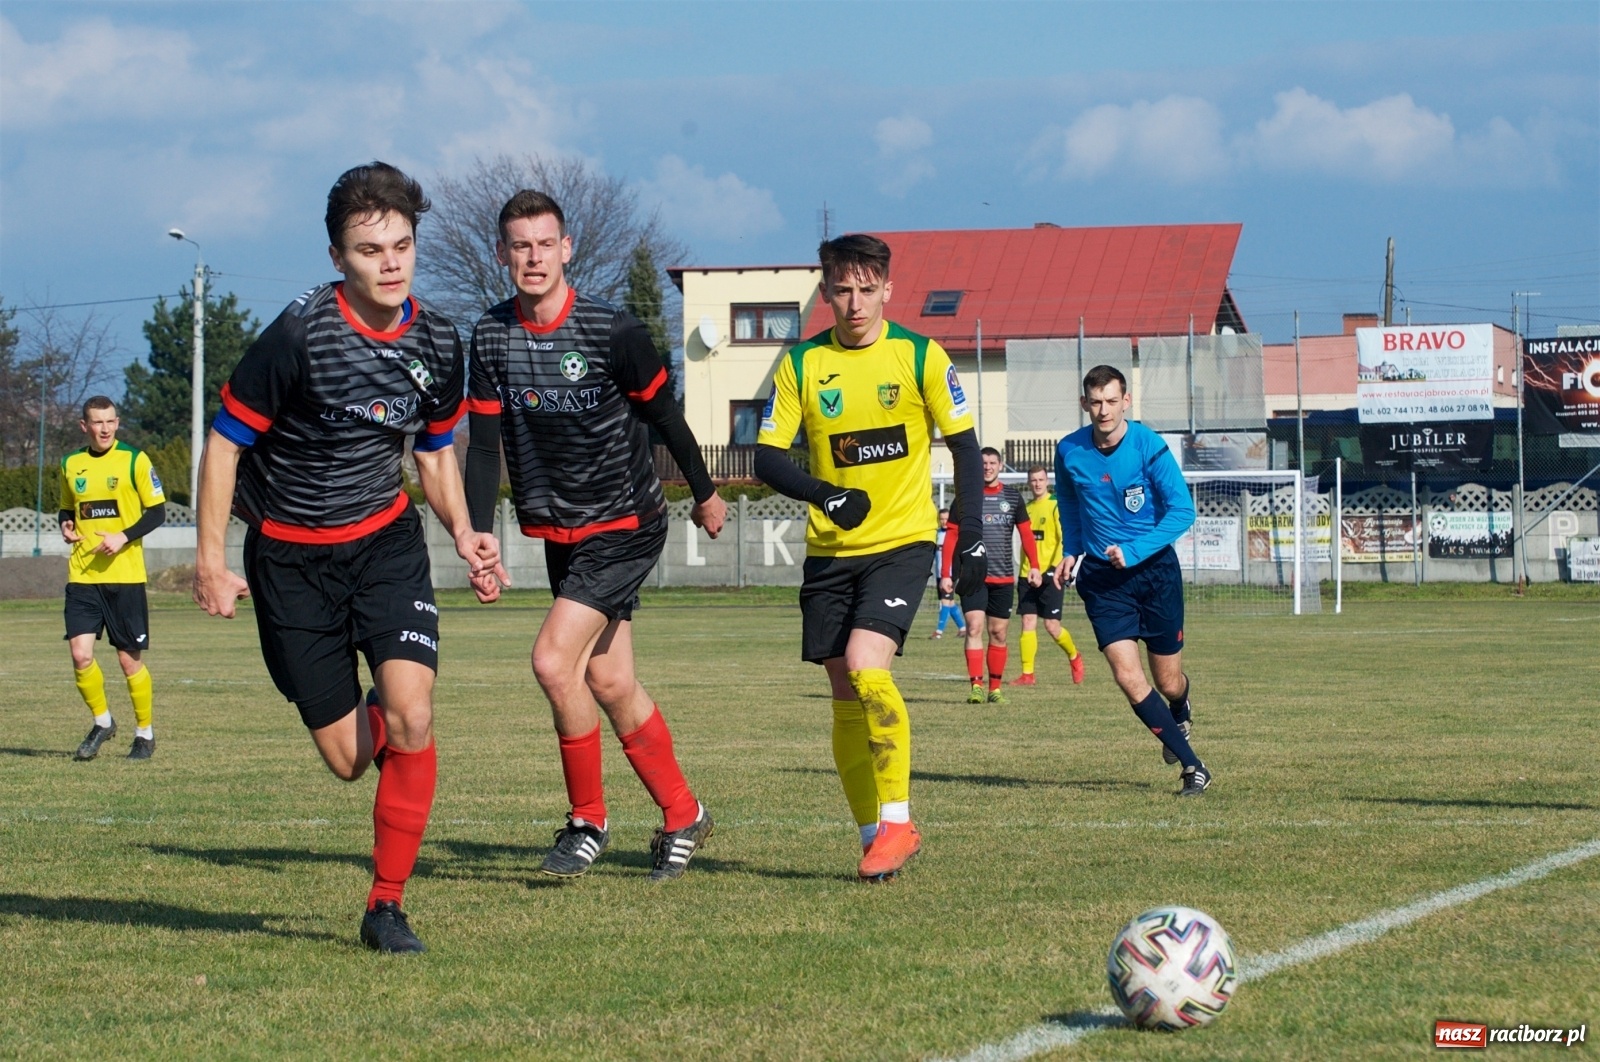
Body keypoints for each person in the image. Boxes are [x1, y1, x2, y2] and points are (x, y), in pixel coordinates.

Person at [193, 162, 506, 953]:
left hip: (384, 545)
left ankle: (386, 906)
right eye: (371, 250)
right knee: (346, 758)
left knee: (413, 711)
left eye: (402, 245)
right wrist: (209, 559)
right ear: (339, 257)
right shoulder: (299, 335)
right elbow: (224, 448)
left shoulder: (438, 339)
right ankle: (378, 730)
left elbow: (435, 455)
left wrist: (464, 531)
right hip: (291, 563)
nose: (391, 263)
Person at [463, 190, 725, 883]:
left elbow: (666, 417)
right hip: (561, 530)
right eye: (519, 246)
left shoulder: (612, 331)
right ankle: (683, 813)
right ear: (502, 255)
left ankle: (587, 821)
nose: (533, 257)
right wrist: (479, 534)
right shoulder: (490, 337)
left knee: (554, 663)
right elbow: (483, 448)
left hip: (626, 522)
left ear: (567, 248)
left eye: (545, 244)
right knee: (609, 679)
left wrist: (705, 492)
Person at [754, 232, 986, 882]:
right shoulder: (801, 365)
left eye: (866, 289)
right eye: (842, 290)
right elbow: (767, 457)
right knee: (841, 693)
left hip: (901, 543)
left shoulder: (920, 357)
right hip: (830, 553)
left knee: (865, 666)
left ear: (887, 288)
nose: (854, 303)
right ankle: (872, 838)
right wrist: (827, 496)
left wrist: (966, 532)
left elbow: (966, 447)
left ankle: (898, 819)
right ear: (826, 292)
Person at [1053, 365, 1210, 796]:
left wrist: (1135, 549)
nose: (1103, 410)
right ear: (1085, 404)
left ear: (1126, 401)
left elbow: (1183, 511)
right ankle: (1193, 767)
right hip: (1103, 581)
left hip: (1155, 573)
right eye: (1095, 402)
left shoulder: (1149, 446)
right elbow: (1068, 500)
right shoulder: (1068, 450)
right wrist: (1072, 549)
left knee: (1167, 681)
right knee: (1127, 676)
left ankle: (1180, 705)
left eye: (1111, 401)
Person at [59, 396, 166, 761]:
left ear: (117, 423)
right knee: (80, 654)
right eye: (97, 422)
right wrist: (66, 524)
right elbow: (66, 506)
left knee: (128, 661)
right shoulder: (70, 464)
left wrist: (124, 536)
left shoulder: (135, 460)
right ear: (83, 426)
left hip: (125, 576)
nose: (104, 429)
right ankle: (103, 722)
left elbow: (157, 513)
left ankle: (144, 733)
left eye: (110, 422)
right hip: (83, 573)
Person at [940, 447, 1040, 704]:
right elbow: (951, 535)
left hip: (1003, 576)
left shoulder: (1013, 497)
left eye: (992, 463)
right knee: (974, 627)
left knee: (999, 633)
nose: (987, 467)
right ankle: (976, 686)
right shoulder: (965, 499)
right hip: (972, 576)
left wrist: (1035, 566)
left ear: (1000, 465)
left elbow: (1027, 535)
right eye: (983, 463)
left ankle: (995, 689)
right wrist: (946, 573)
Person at [1011, 465, 1085, 687]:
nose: (1037, 484)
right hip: (1027, 574)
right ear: (1028, 482)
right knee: (1027, 621)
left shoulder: (1055, 506)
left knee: (1052, 626)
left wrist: (1053, 570)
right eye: (1033, 480)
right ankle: (1027, 674)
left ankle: (1074, 656)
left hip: (1051, 575)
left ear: (1047, 481)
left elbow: (1064, 541)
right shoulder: (1027, 509)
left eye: (1041, 479)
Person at [928, 507, 966, 639]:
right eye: (942, 519)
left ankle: (939, 632)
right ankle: (962, 628)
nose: (944, 522)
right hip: (939, 574)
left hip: (950, 575)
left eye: (946, 519)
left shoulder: (954, 535)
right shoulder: (936, 534)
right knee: (950, 602)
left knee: (945, 601)